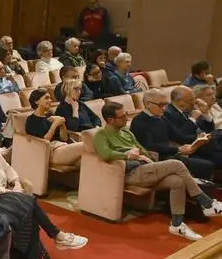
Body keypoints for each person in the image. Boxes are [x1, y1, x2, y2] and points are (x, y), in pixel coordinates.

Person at [0, 126, 88, 259]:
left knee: (28, 208)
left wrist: (16, 183)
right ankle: (56, 236)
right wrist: (15, 193)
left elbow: (9, 170)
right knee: (30, 203)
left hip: (8, 195)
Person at [94, 102, 222, 241]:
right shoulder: (101, 135)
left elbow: (143, 150)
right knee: (177, 164)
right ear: (111, 120)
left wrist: (144, 156)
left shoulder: (126, 132)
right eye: (122, 116)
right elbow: (105, 154)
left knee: (177, 181)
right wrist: (127, 154)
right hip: (130, 173)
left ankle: (177, 224)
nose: (126, 118)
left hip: (145, 168)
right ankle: (207, 203)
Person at [163, 86, 222, 168]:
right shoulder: (168, 114)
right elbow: (180, 135)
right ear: (180, 101)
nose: (194, 102)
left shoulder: (187, 109)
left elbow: (209, 129)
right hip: (193, 151)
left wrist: (206, 114)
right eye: (191, 100)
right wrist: (192, 119)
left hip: (206, 147)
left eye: (194, 99)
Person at [25, 89, 82, 168]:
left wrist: (62, 124)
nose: (50, 100)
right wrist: (55, 124)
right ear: (36, 101)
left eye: (50, 98)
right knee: (86, 145)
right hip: (51, 152)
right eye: (46, 98)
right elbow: (43, 142)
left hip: (63, 146)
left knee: (87, 161)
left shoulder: (50, 116)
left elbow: (64, 138)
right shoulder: (31, 120)